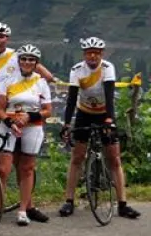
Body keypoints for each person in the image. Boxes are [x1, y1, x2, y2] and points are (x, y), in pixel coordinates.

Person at [59, 37, 140, 219]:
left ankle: (122, 204)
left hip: (104, 112)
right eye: (89, 53)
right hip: (84, 113)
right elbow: (71, 99)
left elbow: (110, 95)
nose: (93, 56)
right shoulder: (77, 70)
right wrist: (66, 123)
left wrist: (110, 120)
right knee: (77, 157)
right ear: (84, 55)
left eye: (96, 53)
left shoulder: (107, 68)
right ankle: (68, 201)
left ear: (101, 54)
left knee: (114, 158)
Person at [0, 44, 53, 226]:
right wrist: (10, 122)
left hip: (32, 126)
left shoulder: (41, 82)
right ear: (18, 61)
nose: (27, 62)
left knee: (27, 168)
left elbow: (48, 111)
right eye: (24, 59)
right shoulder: (7, 80)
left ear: (36, 63)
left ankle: (22, 210)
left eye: (31, 60)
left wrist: (30, 116)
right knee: (2, 169)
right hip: (9, 126)